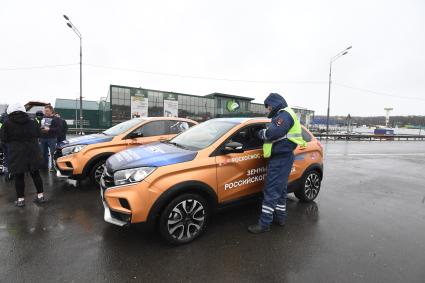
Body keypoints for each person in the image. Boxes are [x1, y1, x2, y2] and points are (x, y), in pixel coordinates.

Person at [248, 93, 306, 234]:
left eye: (268, 108)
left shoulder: (284, 115)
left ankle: (264, 224)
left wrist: (260, 133)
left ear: (273, 104)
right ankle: (280, 218)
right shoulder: (285, 114)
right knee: (280, 190)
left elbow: (272, 133)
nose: (268, 111)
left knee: (271, 190)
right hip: (283, 157)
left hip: (281, 158)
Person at [0, 103, 46, 207]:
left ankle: (21, 200)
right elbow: (39, 134)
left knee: (19, 176)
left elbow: (3, 139)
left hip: (17, 153)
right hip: (33, 151)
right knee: (36, 174)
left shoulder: (7, 123)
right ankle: (40, 196)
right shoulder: (33, 121)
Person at [39, 105, 62, 171]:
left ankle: (53, 167)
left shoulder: (56, 119)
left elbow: (59, 129)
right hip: (42, 138)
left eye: (47, 111)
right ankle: (44, 167)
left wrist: (49, 129)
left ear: (51, 111)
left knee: (53, 153)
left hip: (52, 138)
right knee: (43, 153)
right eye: (45, 110)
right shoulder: (42, 118)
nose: (45, 112)